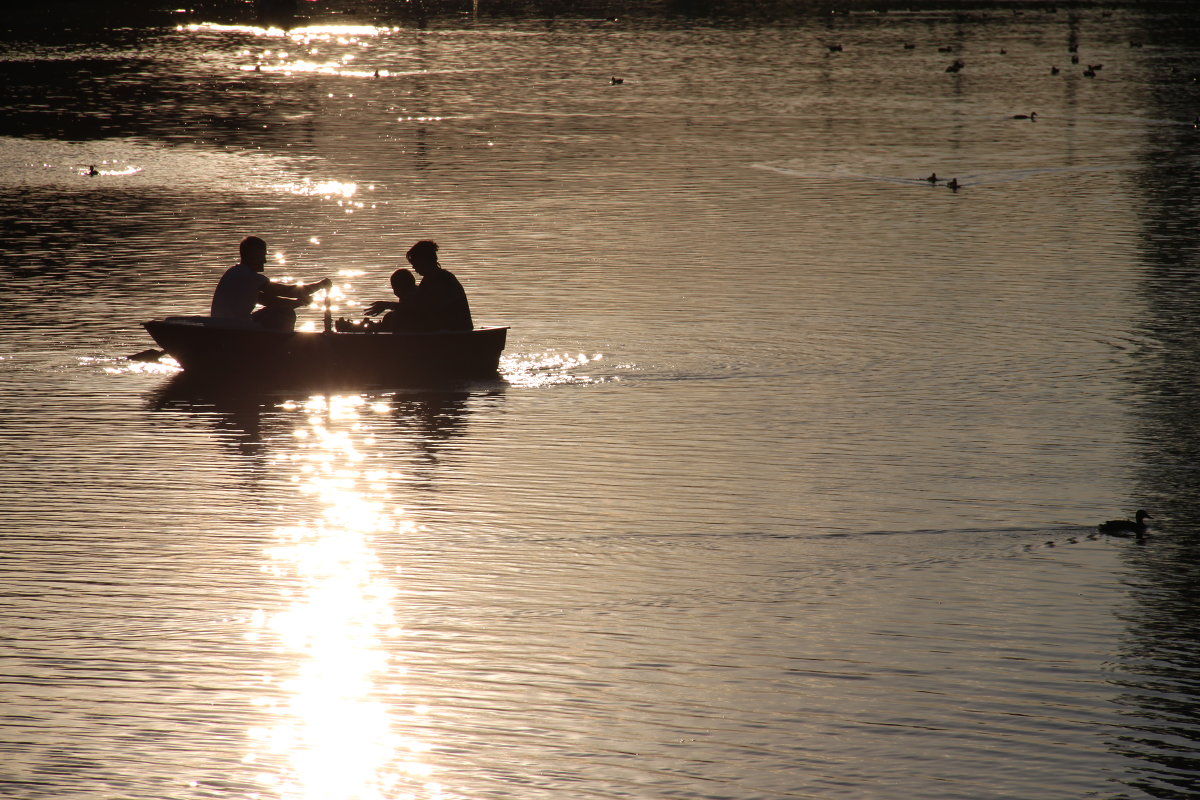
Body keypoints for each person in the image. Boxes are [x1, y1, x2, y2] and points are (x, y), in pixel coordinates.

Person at [210, 236, 331, 331]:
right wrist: (321, 285)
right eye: (262, 256)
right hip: (234, 328)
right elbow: (289, 292)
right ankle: (279, 349)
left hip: (225, 325)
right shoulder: (251, 277)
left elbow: (271, 302)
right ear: (253, 256)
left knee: (281, 309)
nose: (265, 261)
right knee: (286, 314)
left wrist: (300, 302)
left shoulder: (234, 272)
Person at [364, 240, 473, 331]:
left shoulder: (443, 279)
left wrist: (388, 305)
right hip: (440, 328)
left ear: (425, 260)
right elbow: (414, 304)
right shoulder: (428, 280)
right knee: (392, 317)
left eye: (415, 263)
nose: (414, 268)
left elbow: (422, 309)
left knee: (397, 318)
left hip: (454, 330)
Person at [336, 268, 418, 332]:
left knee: (389, 317)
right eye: (393, 289)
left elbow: (413, 308)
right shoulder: (409, 297)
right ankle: (352, 327)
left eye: (396, 288)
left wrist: (387, 305)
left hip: (412, 332)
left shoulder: (417, 297)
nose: (395, 292)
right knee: (388, 318)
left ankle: (350, 329)